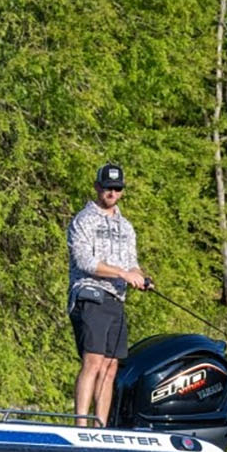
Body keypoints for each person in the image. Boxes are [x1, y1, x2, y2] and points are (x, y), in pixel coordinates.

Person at [67, 163, 150, 427]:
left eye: (117, 188)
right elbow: (84, 262)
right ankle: (81, 426)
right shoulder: (83, 220)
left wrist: (139, 276)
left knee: (111, 365)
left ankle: (100, 426)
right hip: (90, 296)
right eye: (107, 187)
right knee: (93, 361)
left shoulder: (126, 227)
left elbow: (132, 262)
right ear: (97, 187)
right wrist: (122, 274)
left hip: (117, 299)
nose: (111, 192)